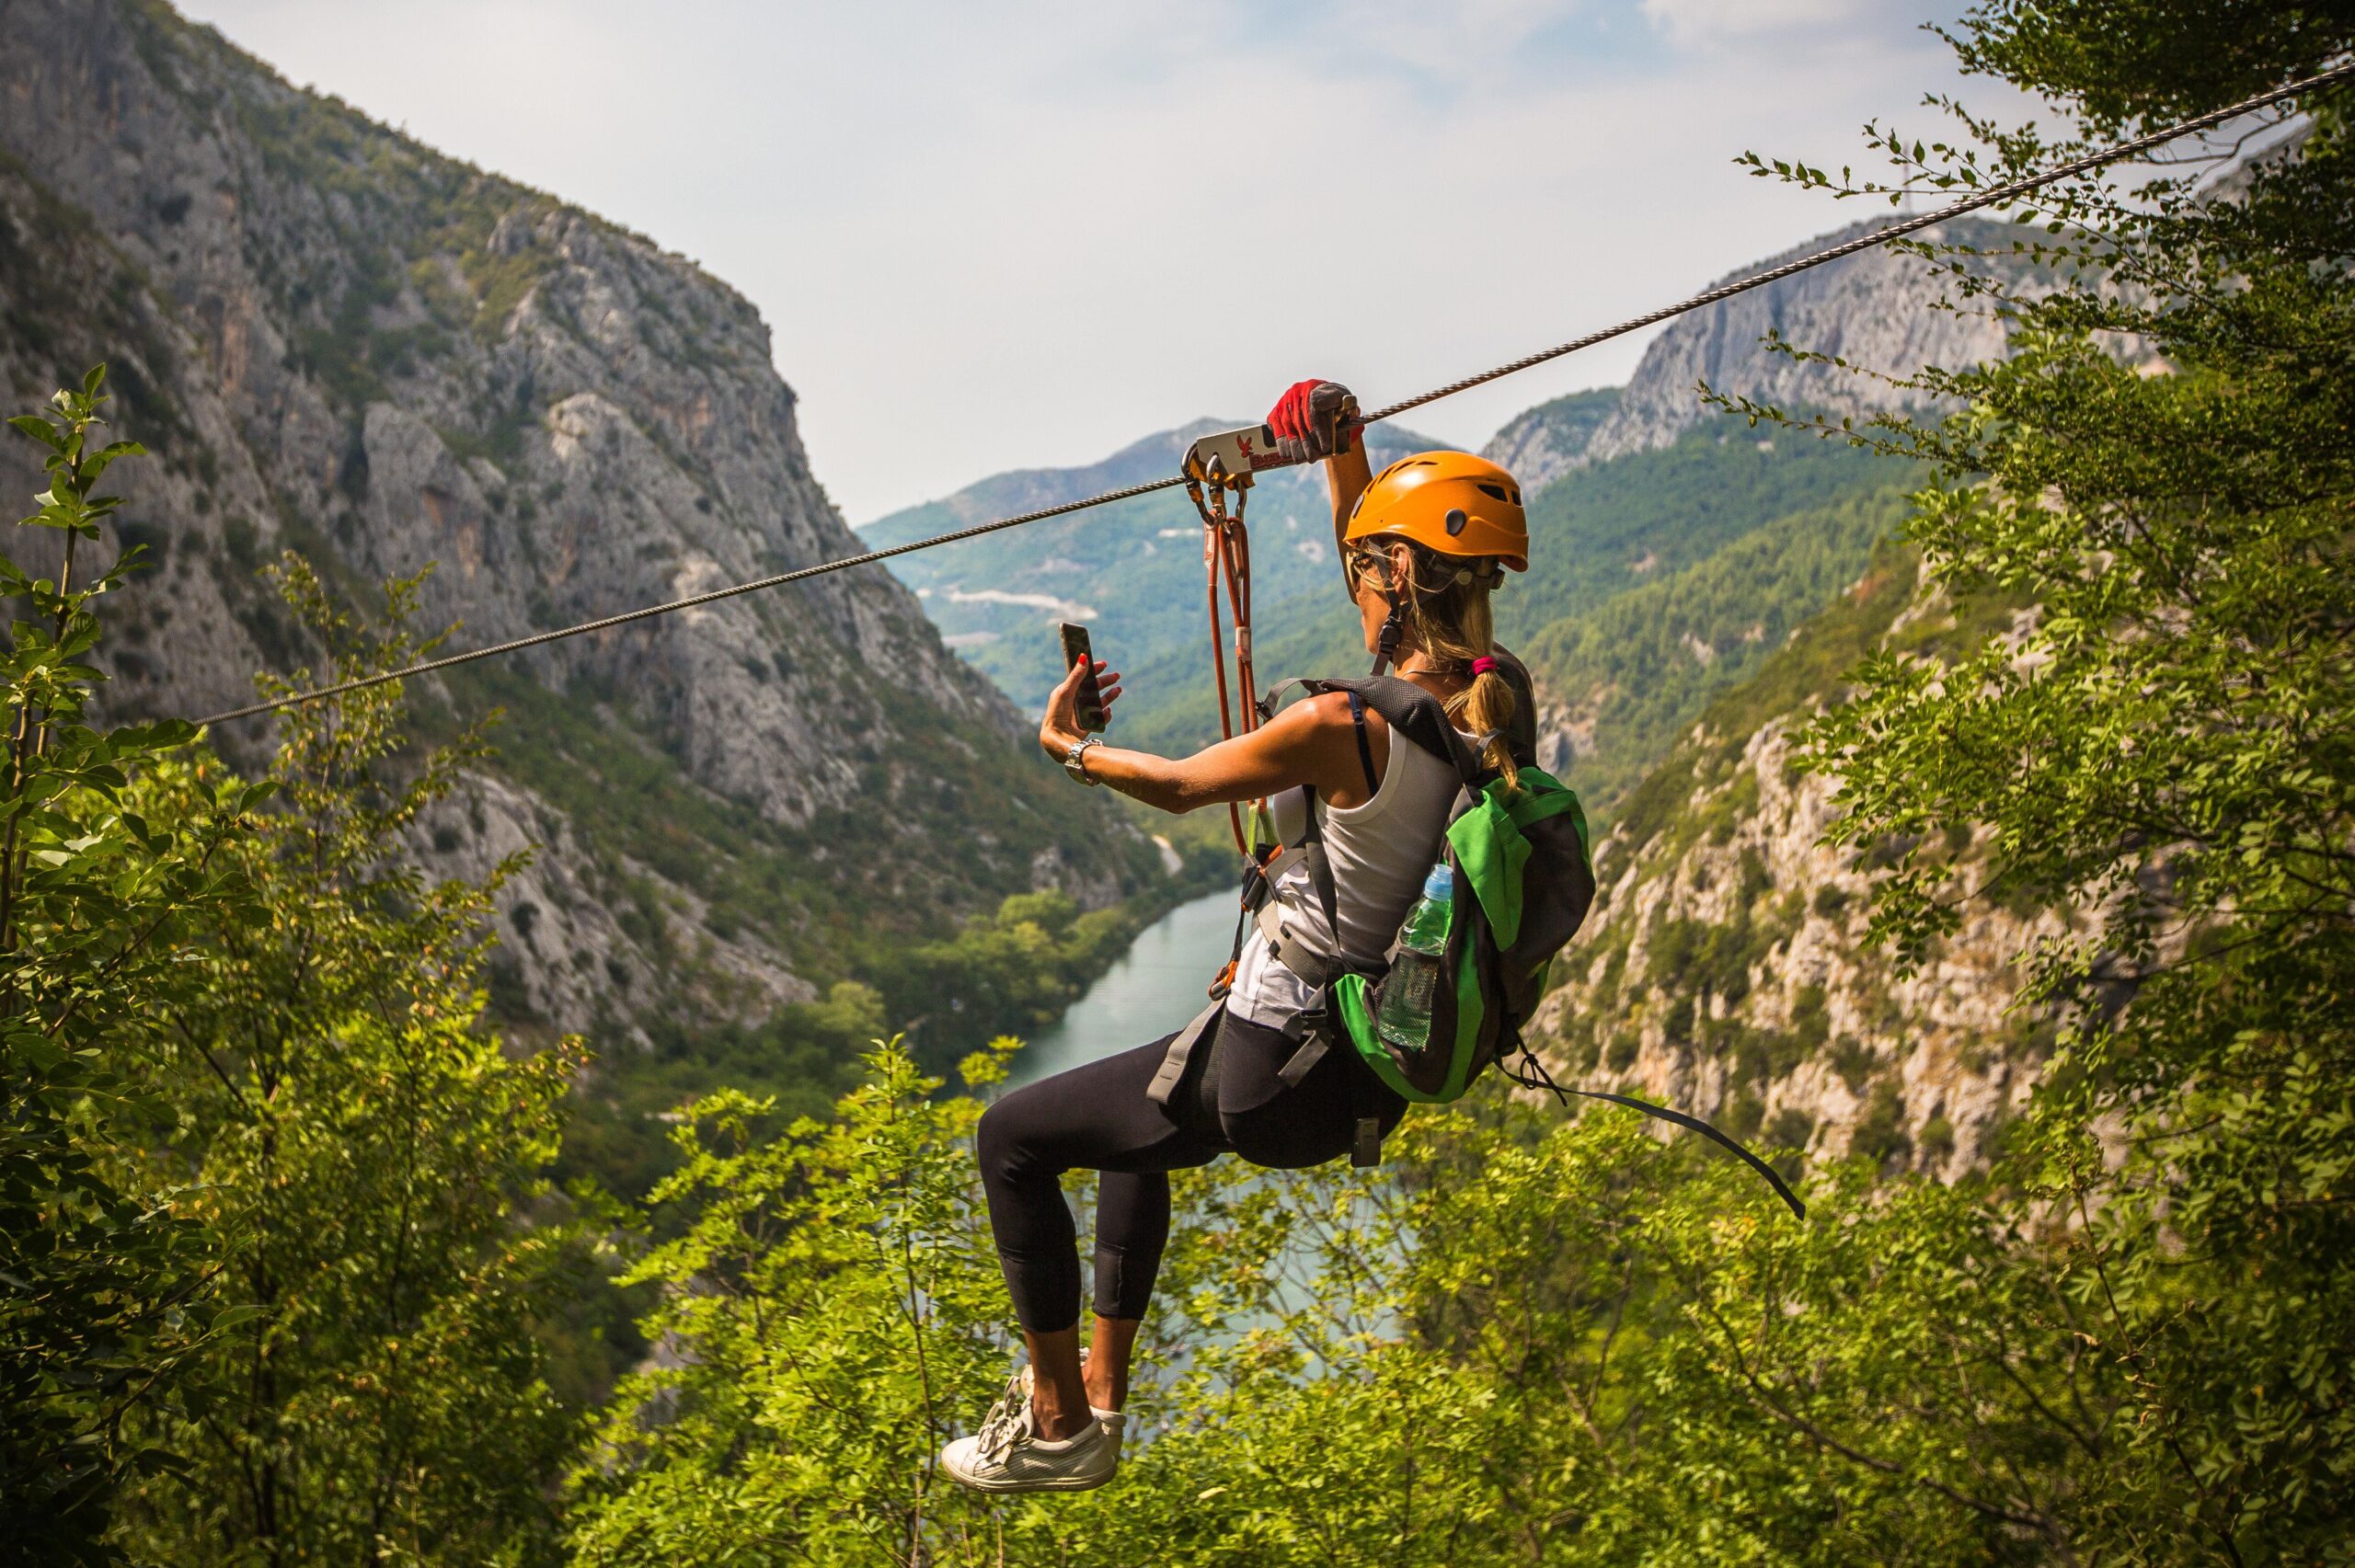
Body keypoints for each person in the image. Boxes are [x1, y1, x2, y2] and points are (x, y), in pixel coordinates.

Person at [939, 379, 1534, 1494]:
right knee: (1137, 1130)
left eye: (1366, 570)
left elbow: (1173, 785)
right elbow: (1382, 592)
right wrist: (1339, 450)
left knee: (1010, 1137)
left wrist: (1066, 744)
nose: (1353, 585)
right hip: (1346, 1075)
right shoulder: (1494, 706)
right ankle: (1101, 1409)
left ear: (1396, 581)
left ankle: (1058, 1421)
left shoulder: (1337, 727)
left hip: (1272, 1068)